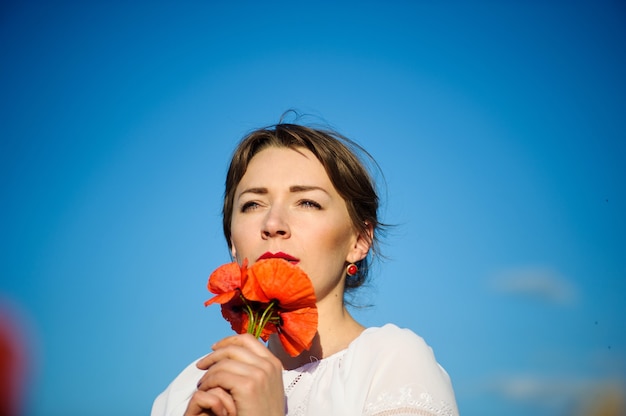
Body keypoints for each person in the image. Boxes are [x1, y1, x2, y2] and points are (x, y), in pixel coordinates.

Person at [152, 119, 459, 416]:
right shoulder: (186, 390)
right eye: (252, 205)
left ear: (359, 240)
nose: (273, 225)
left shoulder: (391, 363)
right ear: (232, 241)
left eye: (307, 203)